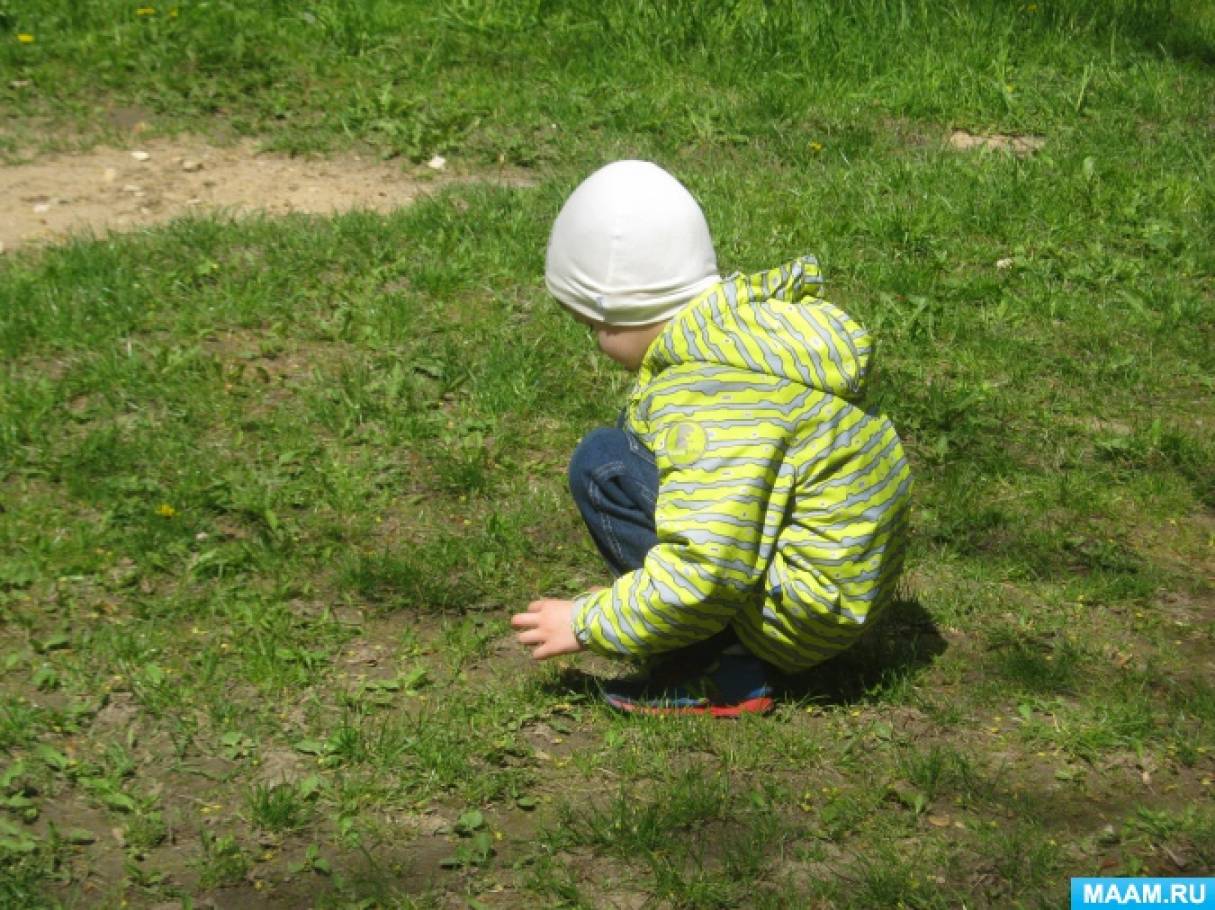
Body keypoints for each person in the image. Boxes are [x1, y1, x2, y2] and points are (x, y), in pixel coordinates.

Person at [511, 160, 912, 716]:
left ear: (617, 316)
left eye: (593, 329)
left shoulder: (705, 399)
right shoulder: (751, 334)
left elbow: (709, 567)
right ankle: (730, 649)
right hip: (842, 591)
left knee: (604, 463)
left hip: (796, 619)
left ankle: (720, 668)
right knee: (636, 451)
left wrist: (587, 622)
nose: (595, 345)